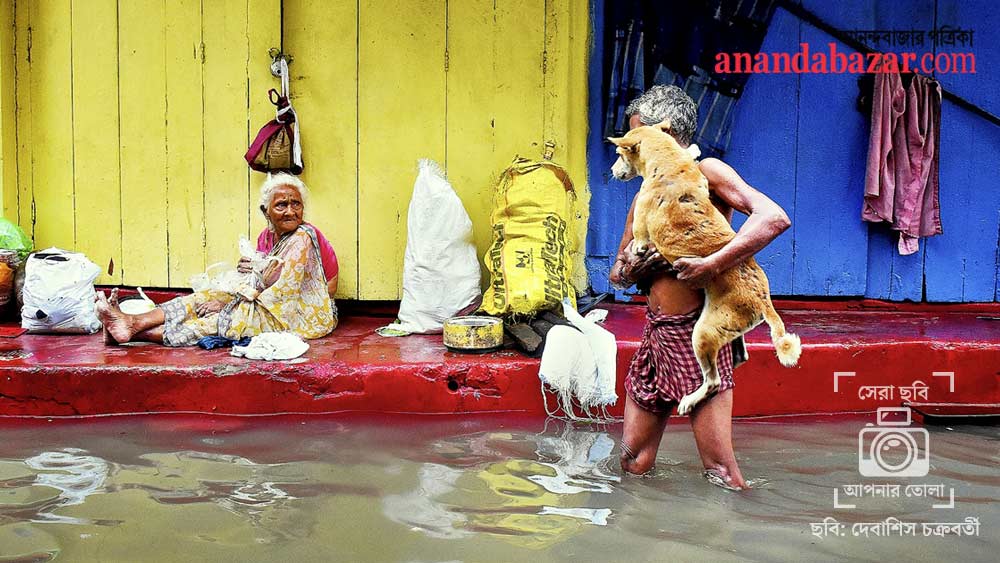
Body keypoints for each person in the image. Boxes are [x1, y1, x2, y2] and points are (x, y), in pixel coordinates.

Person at [609, 85, 790, 489]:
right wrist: (637, 266)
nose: (629, 151)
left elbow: (773, 218)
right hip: (656, 337)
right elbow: (618, 274)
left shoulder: (708, 172)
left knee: (720, 472)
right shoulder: (645, 195)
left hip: (698, 337)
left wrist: (711, 264)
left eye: (636, 138)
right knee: (633, 462)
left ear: (665, 135)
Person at [97, 173, 338, 346]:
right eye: (281, 205)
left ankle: (133, 333)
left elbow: (282, 293)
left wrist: (234, 301)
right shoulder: (268, 236)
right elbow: (262, 281)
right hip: (267, 302)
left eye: (296, 204)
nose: (290, 211)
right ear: (266, 212)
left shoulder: (303, 237)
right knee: (205, 297)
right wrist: (247, 276)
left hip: (300, 315)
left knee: (227, 318)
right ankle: (133, 321)